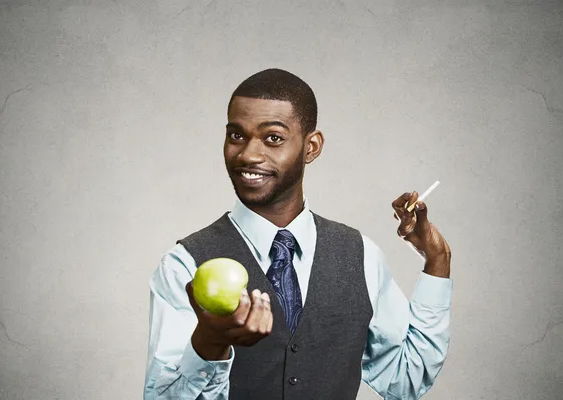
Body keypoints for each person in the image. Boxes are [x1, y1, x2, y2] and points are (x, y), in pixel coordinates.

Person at [144, 68, 453, 400]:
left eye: (273, 138)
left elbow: (406, 379)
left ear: (312, 147)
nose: (248, 154)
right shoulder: (184, 266)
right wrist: (209, 343)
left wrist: (438, 261)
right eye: (236, 135)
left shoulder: (361, 256)